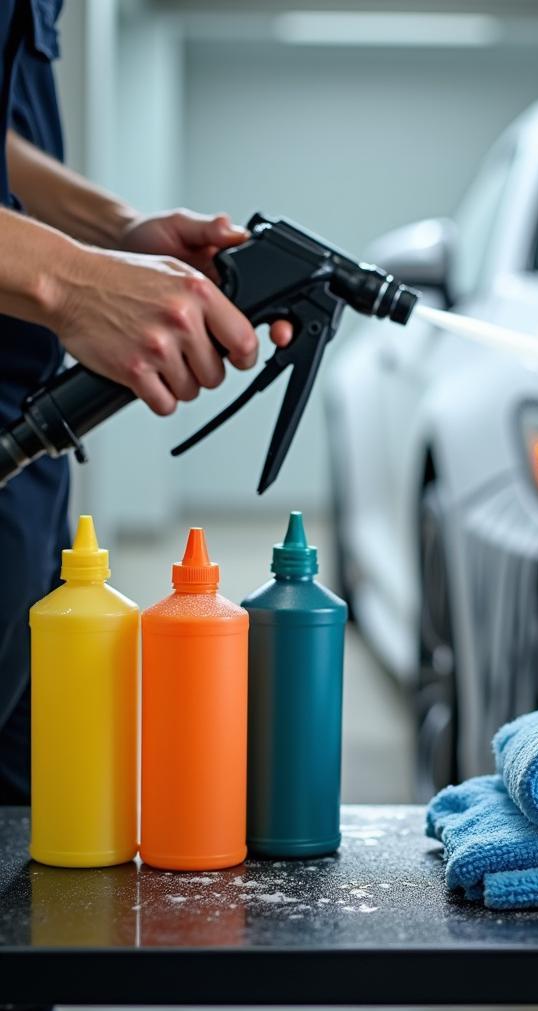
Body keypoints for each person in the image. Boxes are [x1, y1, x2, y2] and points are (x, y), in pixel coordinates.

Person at [0, 4, 290, 806]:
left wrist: (119, 232)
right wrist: (72, 281)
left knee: (38, 833)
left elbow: (6, 151)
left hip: (26, 456)